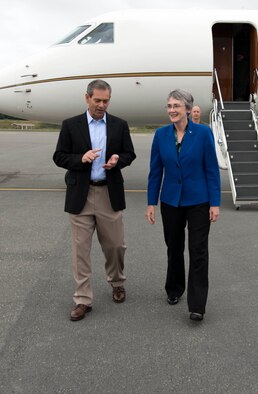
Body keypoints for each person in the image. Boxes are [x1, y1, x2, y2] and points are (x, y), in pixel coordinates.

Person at [53, 79, 136, 321]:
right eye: (98, 100)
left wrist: (117, 160)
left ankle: (117, 283)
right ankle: (82, 299)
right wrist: (81, 159)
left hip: (109, 193)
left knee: (116, 246)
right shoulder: (71, 125)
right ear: (87, 98)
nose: (102, 105)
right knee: (80, 251)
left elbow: (130, 153)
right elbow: (59, 156)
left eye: (106, 100)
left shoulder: (120, 125)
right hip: (82, 194)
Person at [146, 89, 221, 322]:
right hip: (170, 201)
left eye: (176, 106)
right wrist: (151, 202)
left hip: (199, 201)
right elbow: (155, 171)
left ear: (188, 108)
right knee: (174, 247)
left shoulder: (203, 133)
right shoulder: (160, 135)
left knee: (198, 251)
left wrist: (215, 203)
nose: (171, 110)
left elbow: (211, 169)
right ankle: (174, 288)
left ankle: (197, 304)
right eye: (169, 106)